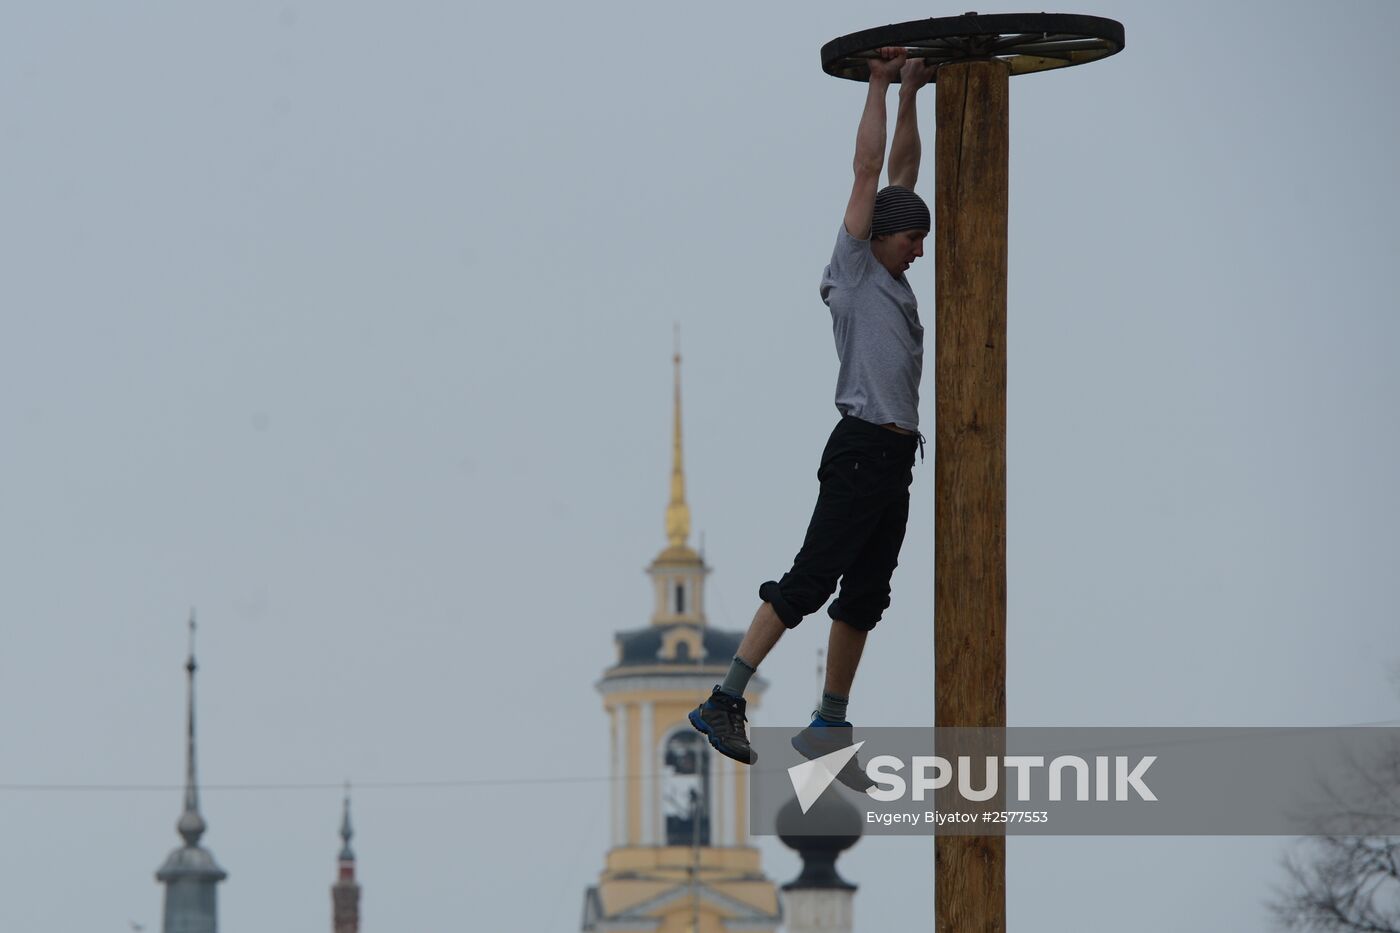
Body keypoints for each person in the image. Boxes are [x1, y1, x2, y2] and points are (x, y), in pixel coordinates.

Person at [690, 48, 935, 771]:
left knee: (866, 596)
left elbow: (902, 176)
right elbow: (870, 175)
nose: (920, 249)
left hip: (894, 460)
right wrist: (880, 84)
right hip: (861, 448)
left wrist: (916, 93)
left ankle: (829, 725)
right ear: (877, 237)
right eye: (912, 237)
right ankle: (723, 698)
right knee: (808, 580)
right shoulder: (856, 269)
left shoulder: (892, 276)